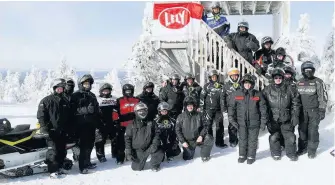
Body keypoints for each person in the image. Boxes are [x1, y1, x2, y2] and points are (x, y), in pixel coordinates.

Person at [228, 74, 268, 164]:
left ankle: (251, 155)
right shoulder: (237, 94)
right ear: (242, 84)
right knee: (242, 139)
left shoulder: (258, 94)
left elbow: (263, 109)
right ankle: (242, 155)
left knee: (252, 140)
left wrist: (263, 122)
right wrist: (231, 119)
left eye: (249, 83)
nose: (247, 85)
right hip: (241, 123)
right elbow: (231, 107)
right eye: (245, 83)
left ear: (252, 84)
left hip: (254, 123)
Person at [262, 68, 301, 161]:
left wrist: (295, 116)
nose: (278, 79)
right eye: (276, 77)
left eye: (280, 77)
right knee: (274, 137)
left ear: (283, 78)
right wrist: (265, 117)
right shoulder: (267, 90)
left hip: (286, 118)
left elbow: (296, 103)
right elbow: (262, 104)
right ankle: (276, 153)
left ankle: (291, 153)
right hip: (273, 119)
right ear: (273, 78)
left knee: (290, 137)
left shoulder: (290, 89)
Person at [37, 78, 71, 178]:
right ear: (54, 88)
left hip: (63, 131)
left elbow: (69, 116)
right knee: (53, 151)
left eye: (62, 88)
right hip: (51, 131)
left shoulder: (65, 100)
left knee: (62, 150)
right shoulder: (47, 100)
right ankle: (53, 171)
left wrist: (69, 129)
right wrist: (43, 128)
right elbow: (41, 115)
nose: (60, 90)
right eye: (58, 88)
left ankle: (60, 167)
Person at [296, 61, 328, 158]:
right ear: (303, 71)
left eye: (310, 70)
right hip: (302, 111)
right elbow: (295, 98)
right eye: (306, 70)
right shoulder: (299, 82)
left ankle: (312, 150)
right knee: (302, 130)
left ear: (313, 71)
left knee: (313, 131)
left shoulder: (318, 82)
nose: (308, 72)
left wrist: (322, 110)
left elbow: (322, 97)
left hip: (314, 111)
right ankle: (302, 148)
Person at [70, 74, 100, 174]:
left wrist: (97, 119)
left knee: (90, 145)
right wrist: (86, 110)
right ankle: (82, 166)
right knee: (83, 146)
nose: (87, 85)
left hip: (91, 124)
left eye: (89, 84)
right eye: (85, 83)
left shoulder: (92, 95)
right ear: (81, 84)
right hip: (80, 125)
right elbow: (72, 110)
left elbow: (96, 109)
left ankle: (87, 162)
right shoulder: (75, 95)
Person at [125, 102, 164, 172]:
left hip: (150, 146)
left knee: (159, 152)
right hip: (138, 149)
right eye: (140, 111)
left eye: (144, 110)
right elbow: (128, 138)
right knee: (136, 168)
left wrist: (154, 145)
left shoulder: (152, 122)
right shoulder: (131, 125)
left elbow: (157, 134)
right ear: (136, 112)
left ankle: (155, 165)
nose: (142, 112)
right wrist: (128, 151)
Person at [175, 97, 214, 162]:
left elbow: (206, 125)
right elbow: (177, 130)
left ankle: (205, 156)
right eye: (188, 106)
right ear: (185, 106)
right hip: (188, 141)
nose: (190, 107)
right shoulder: (180, 117)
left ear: (194, 106)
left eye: (191, 105)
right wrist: (183, 141)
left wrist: (201, 135)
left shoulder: (199, 115)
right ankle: (189, 150)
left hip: (198, 139)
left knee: (209, 138)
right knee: (188, 158)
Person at [200, 69, 227, 148]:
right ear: (210, 77)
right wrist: (201, 107)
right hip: (208, 109)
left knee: (220, 125)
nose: (214, 78)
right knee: (208, 125)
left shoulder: (221, 86)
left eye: (215, 76)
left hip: (219, 109)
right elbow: (202, 97)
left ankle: (219, 142)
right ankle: (209, 141)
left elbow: (224, 97)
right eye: (212, 77)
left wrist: (224, 107)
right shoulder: (206, 86)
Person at [115, 84, 140, 164]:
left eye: (130, 91)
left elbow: (141, 110)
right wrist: (116, 121)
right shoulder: (119, 100)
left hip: (134, 124)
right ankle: (120, 158)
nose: (128, 92)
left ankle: (133, 155)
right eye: (127, 91)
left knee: (134, 141)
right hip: (123, 124)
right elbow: (115, 112)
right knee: (121, 142)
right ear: (124, 91)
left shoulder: (137, 100)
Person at [95, 83, 119, 163]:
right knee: (100, 140)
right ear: (101, 91)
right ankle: (101, 156)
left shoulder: (115, 99)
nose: (106, 92)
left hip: (112, 122)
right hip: (101, 123)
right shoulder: (97, 99)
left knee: (115, 139)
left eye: (107, 90)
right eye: (104, 91)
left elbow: (118, 110)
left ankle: (115, 153)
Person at [221, 68, 241, 147]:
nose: (234, 77)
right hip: (230, 108)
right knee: (232, 124)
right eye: (233, 76)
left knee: (241, 123)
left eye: (236, 76)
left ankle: (242, 138)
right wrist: (224, 108)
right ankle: (233, 140)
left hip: (240, 108)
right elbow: (222, 98)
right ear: (230, 77)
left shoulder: (242, 84)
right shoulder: (226, 86)